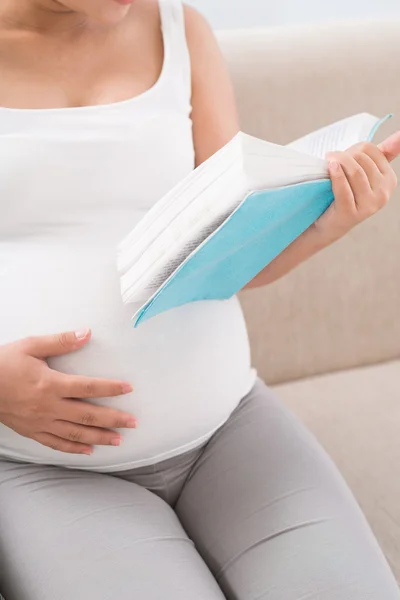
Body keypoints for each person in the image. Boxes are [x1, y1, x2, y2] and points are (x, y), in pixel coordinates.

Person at [0, 0, 399, 598]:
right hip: (49, 469)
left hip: (229, 429)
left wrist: (330, 220)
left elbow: (227, 254)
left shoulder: (180, 29)